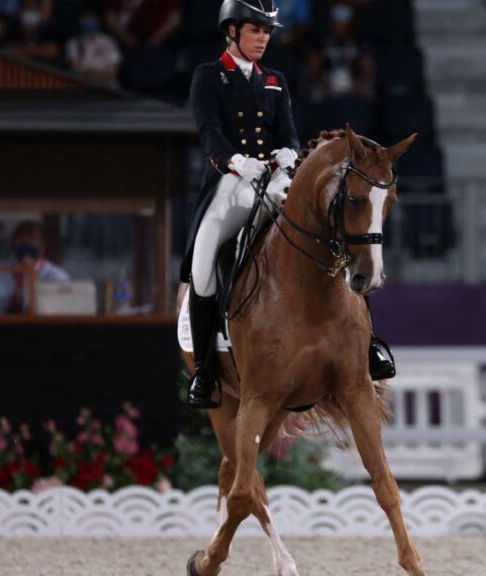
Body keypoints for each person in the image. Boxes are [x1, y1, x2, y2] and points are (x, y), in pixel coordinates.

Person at [181, 0, 395, 410]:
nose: (263, 38)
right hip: (229, 183)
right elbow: (210, 133)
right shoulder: (209, 77)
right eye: (255, 30)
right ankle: (206, 370)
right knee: (203, 268)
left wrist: (286, 153)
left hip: (276, 179)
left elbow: (290, 133)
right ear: (232, 32)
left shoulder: (275, 80)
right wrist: (236, 161)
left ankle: (370, 348)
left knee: (335, 236)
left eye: (266, 32)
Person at [0, 221, 69, 314]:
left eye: (33, 240)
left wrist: (31, 273)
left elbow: (63, 311)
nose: (27, 245)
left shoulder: (56, 277)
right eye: (22, 241)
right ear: (13, 245)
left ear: (42, 247)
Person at [65, 5, 122, 87]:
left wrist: (100, 76)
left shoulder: (109, 41)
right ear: (80, 21)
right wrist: (91, 74)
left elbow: (113, 69)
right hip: (83, 85)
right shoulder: (73, 43)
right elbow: (77, 69)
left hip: (107, 85)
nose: (90, 21)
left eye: (92, 18)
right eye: (86, 18)